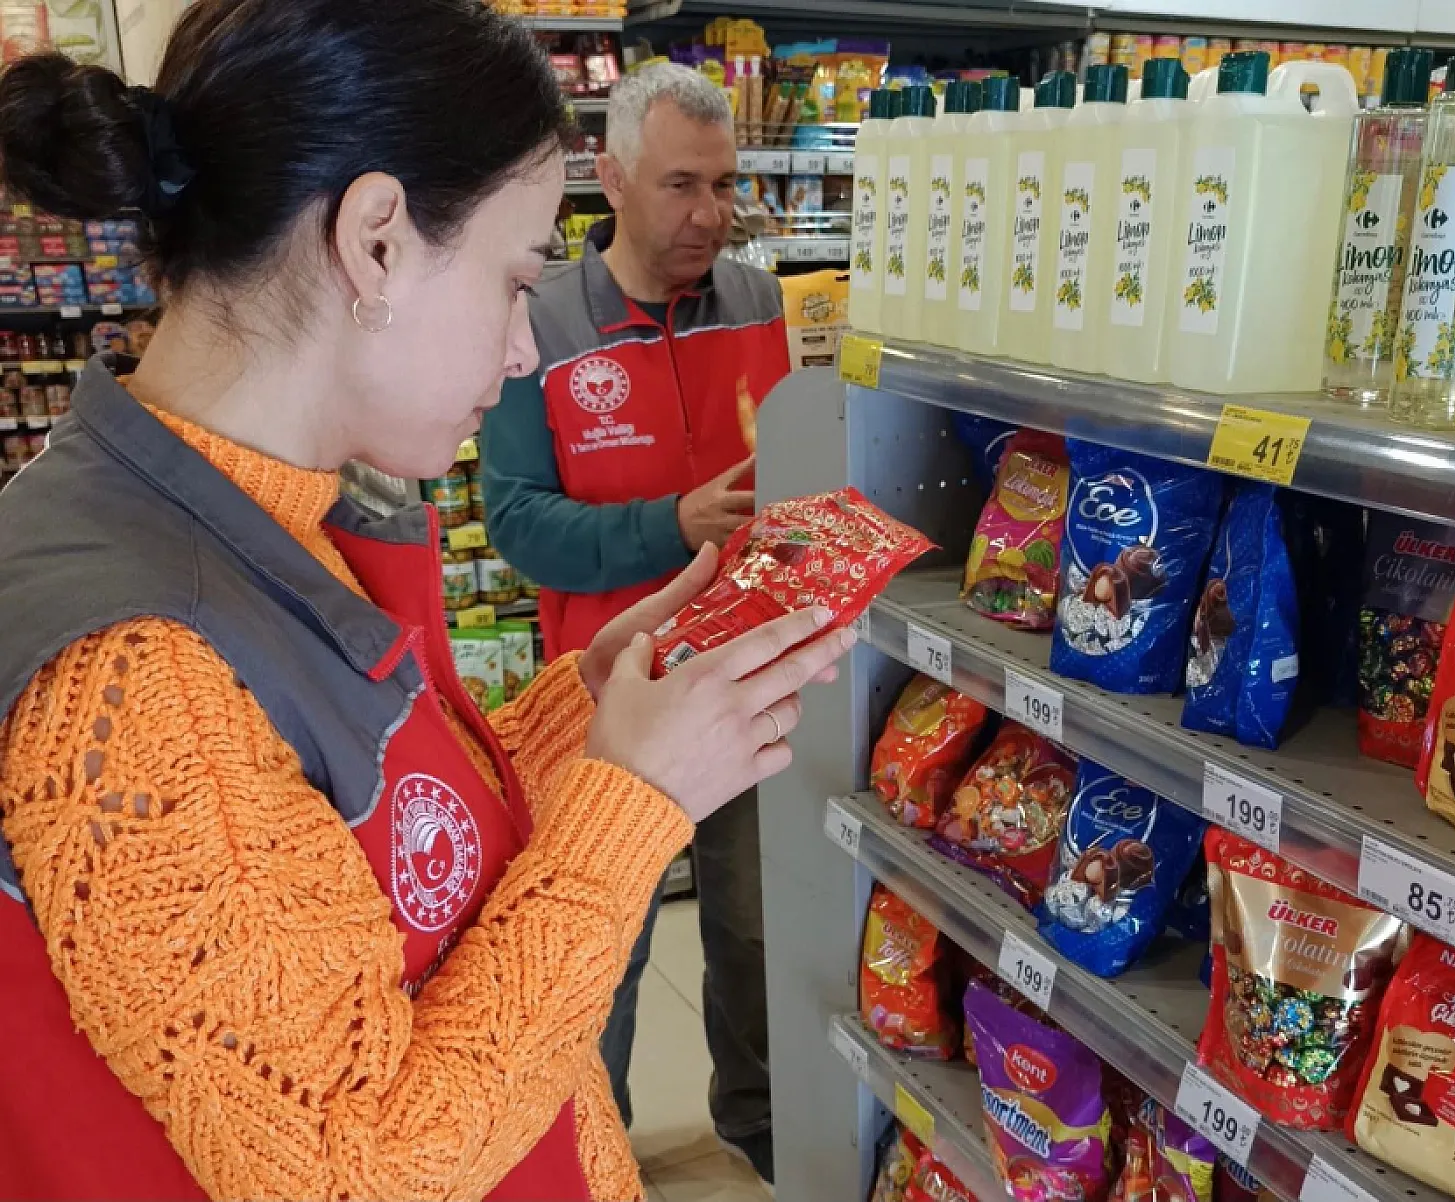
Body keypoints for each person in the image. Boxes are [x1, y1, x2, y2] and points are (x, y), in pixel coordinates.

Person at [0, 5, 850, 1201]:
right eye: (513, 281)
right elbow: (359, 1169)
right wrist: (634, 809)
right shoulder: (141, 670)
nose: (518, 351)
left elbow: (364, 845)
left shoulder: (239, 511)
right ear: (377, 239)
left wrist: (586, 710)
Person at [481, 63, 788, 1185]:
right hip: (604, 700)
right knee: (604, 948)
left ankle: (756, 1134)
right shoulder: (543, 322)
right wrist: (674, 524)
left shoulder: (760, 301)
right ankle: (590, 1156)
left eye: (721, 184)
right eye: (677, 186)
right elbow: (514, 520)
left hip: (751, 678)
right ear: (608, 177)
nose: (707, 214)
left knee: (753, 935)